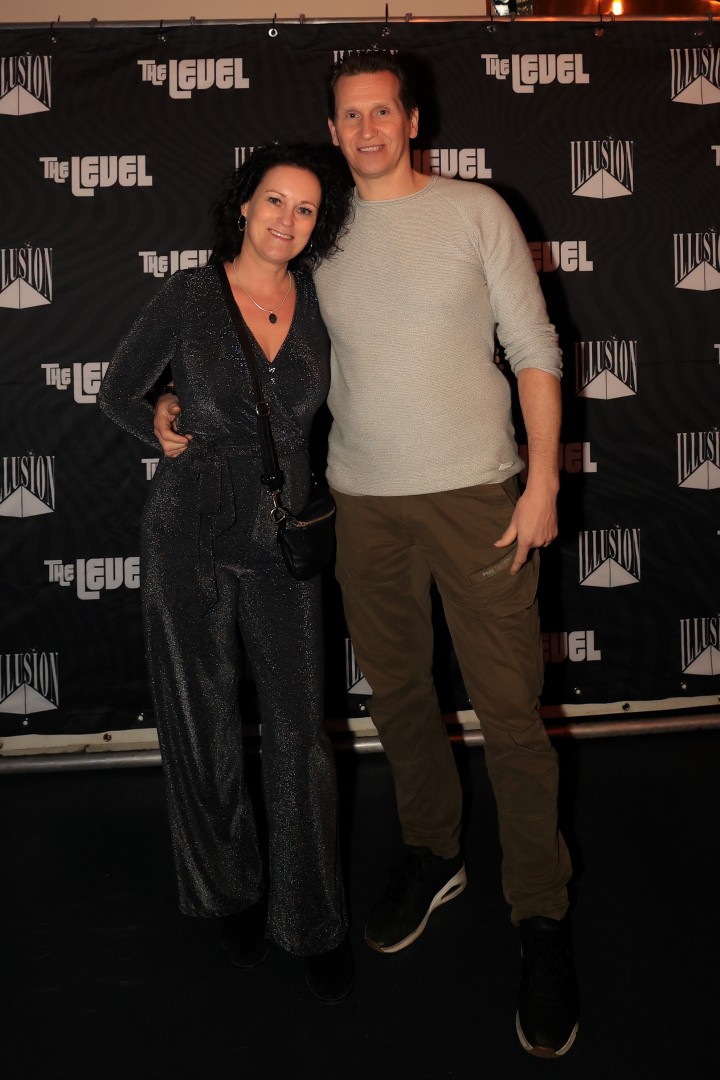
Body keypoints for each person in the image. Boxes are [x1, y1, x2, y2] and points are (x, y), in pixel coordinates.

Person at [155, 53, 578, 1056]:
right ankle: (434, 852)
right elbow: (250, 329)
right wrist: (171, 400)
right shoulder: (322, 231)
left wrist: (544, 483)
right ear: (335, 129)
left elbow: (535, 347)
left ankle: (541, 917)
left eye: (382, 110)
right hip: (359, 503)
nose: (367, 129)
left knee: (511, 716)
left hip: (479, 496)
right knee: (399, 699)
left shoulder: (476, 210)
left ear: (412, 118)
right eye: (349, 116)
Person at [99, 144, 353, 1004]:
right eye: (275, 200)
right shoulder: (189, 294)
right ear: (244, 205)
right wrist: (161, 415)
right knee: (201, 717)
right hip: (190, 529)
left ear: (319, 224)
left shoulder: (320, 299)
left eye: (306, 208)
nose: (288, 220)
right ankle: (230, 891)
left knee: (300, 733)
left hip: (283, 535)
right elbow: (116, 391)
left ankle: (311, 917)